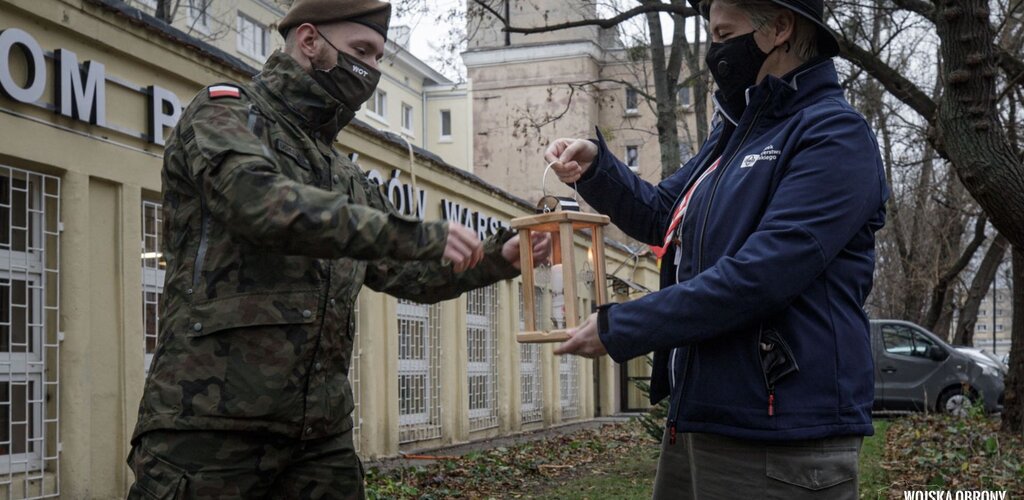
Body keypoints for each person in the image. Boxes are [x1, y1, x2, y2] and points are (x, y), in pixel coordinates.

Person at [127, 0, 550, 497]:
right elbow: (262, 205)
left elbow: (404, 274)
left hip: (318, 437)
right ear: (309, 42)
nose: (371, 70)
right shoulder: (227, 112)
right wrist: (414, 234)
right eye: (362, 51)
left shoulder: (343, 172)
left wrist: (500, 259)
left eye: (377, 58)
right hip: (210, 430)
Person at [545, 0, 887, 498]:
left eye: (724, 35)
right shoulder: (734, 133)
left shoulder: (834, 135)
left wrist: (624, 327)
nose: (713, 52)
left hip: (781, 434)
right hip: (700, 420)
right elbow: (664, 213)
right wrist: (597, 169)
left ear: (781, 29)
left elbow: (761, 276)